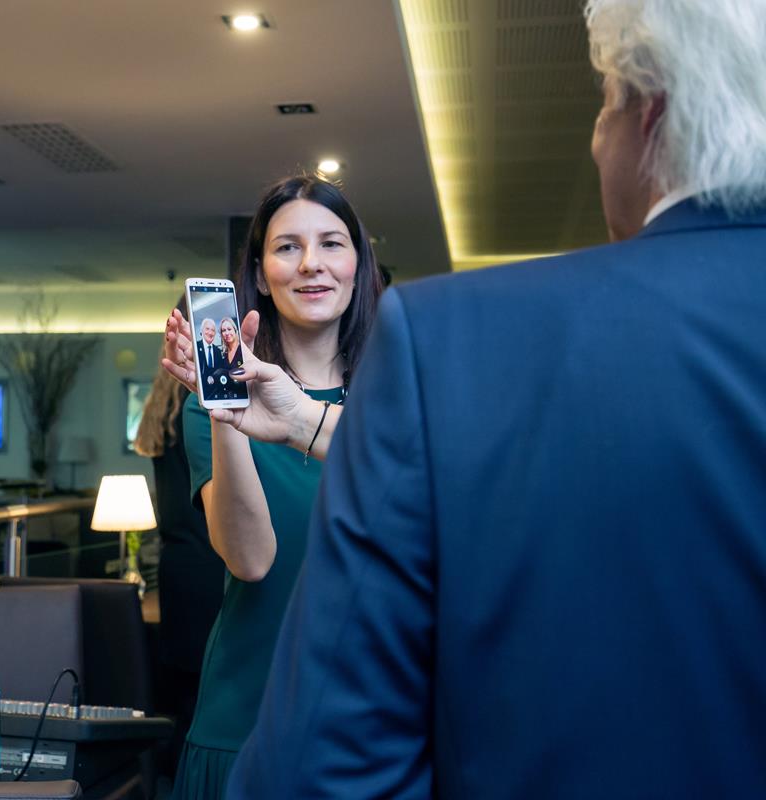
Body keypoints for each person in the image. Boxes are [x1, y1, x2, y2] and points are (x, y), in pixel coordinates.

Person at [229, 0, 766, 796]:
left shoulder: (449, 342)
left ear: (647, 110)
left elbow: (321, 767)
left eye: (602, 105)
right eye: (288, 247)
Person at [164, 175, 385, 799]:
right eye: (288, 247)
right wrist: (226, 414)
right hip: (248, 716)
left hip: (373, 715)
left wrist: (299, 420)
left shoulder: (398, 398)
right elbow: (251, 560)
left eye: (332, 243)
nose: (311, 263)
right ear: (261, 275)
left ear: (357, 265)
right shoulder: (214, 404)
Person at [133, 300, 226, 783]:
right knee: (214, 694)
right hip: (214, 564)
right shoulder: (213, 408)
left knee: (184, 696)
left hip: (178, 569)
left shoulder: (158, 407)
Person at [209, 317, 244, 385]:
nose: (227, 333)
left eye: (229, 329)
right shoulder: (224, 354)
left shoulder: (242, 349)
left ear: (235, 330)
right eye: (224, 330)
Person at [194, 318, 222, 388]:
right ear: (202, 330)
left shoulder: (218, 351)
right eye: (207, 329)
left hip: (216, 387)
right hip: (199, 387)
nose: (210, 333)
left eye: (213, 330)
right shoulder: (195, 346)